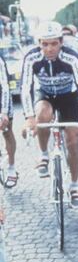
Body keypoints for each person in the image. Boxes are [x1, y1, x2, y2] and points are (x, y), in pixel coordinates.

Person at [21, 21, 78, 208]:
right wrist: (29, 118)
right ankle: (44, 154)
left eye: (54, 43)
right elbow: (25, 87)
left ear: (61, 42)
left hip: (68, 96)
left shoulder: (71, 57)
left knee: (72, 140)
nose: (49, 49)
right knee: (42, 113)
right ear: (39, 43)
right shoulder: (31, 58)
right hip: (45, 94)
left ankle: (74, 185)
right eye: (45, 44)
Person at [0, 56, 18, 188]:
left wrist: (4, 112)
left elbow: (5, 87)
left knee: (6, 131)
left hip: (2, 97)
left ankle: (12, 167)